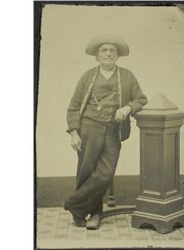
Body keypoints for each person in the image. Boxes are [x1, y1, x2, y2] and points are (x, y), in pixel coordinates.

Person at [63, 34, 148, 230]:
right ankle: (93, 214)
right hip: (88, 129)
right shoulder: (87, 76)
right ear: (97, 56)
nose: (108, 53)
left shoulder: (127, 76)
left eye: (112, 50)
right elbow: (74, 106)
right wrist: (74, 132)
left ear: (117, 55)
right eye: (104, 50)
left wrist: (127, 108)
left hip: (112, 131)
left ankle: (74, 204)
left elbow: (141, 99)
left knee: (105, 173)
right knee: (85, 172)